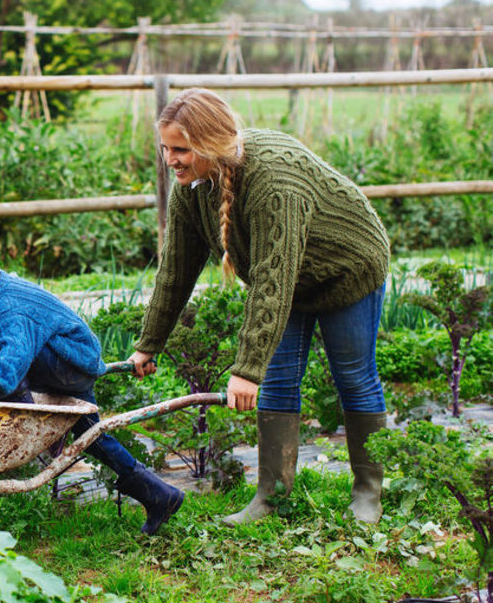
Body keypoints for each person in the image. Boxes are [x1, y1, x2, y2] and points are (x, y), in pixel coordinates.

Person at [128, 88, 390, 525]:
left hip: (346, 268)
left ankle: (368, 494)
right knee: (280, 379)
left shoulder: (273, 180)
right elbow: (174, 273)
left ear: (211, 144)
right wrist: (148, 344)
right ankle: (271, 499)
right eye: (165, 148)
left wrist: (247, 369)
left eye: (181, 149)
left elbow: (272, 277)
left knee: (353, 378)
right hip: (289, 278)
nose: (170, 159)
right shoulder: (191, 190)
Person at [0, 231, 184, 536]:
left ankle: (28, 422)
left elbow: (15, 357)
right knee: (93, 437)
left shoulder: (10, 307)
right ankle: (160, 496)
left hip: (69, 364)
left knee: (9, 356)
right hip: (66, 366)